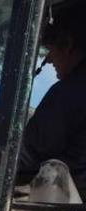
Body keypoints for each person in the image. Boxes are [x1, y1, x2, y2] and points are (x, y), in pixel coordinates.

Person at [19, 4, 86, 190]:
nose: (48, 59)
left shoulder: (69, 93)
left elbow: (23, 158)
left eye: (51, 48)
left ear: (68, 44)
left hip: (71, 207)